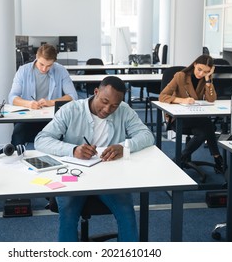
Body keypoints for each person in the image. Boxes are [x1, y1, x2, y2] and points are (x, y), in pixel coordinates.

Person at [35, 76, 154, 242]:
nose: (107, 109)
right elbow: (41, 140)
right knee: (68, 214)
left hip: (110, 175)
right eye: (104, 101)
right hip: (75, 175)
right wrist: (73, 149)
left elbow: (147, 136)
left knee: (126, 213)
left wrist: (124, 146)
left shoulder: (124, 110)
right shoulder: (71, 110)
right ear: (96, 92)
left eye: (114, 105)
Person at [158, 54, 224, 173]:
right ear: (194, 65)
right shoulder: (180, 76)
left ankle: (180, 158)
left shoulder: (205, 78)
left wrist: (208, 80)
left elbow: (211, 99)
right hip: (178, 118)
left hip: (196, 118)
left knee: (203, 132)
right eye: (199, 69)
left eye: (205, 71)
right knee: (208, 124)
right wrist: (182, 100)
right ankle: (217, 157)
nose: (201, 74)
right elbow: (163, 96)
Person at [8, 44, 78, 146]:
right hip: (28, 117)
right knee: (17, 135)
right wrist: (28, 104)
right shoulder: (23, 70)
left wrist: (50, 102)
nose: (44, 69)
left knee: (63, 137)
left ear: (54, 62)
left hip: (52, 118)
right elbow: (12, 97)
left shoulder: (61, 70)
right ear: (36, 57)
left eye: (49, 65)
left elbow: (73, 96)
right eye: (41, 64)